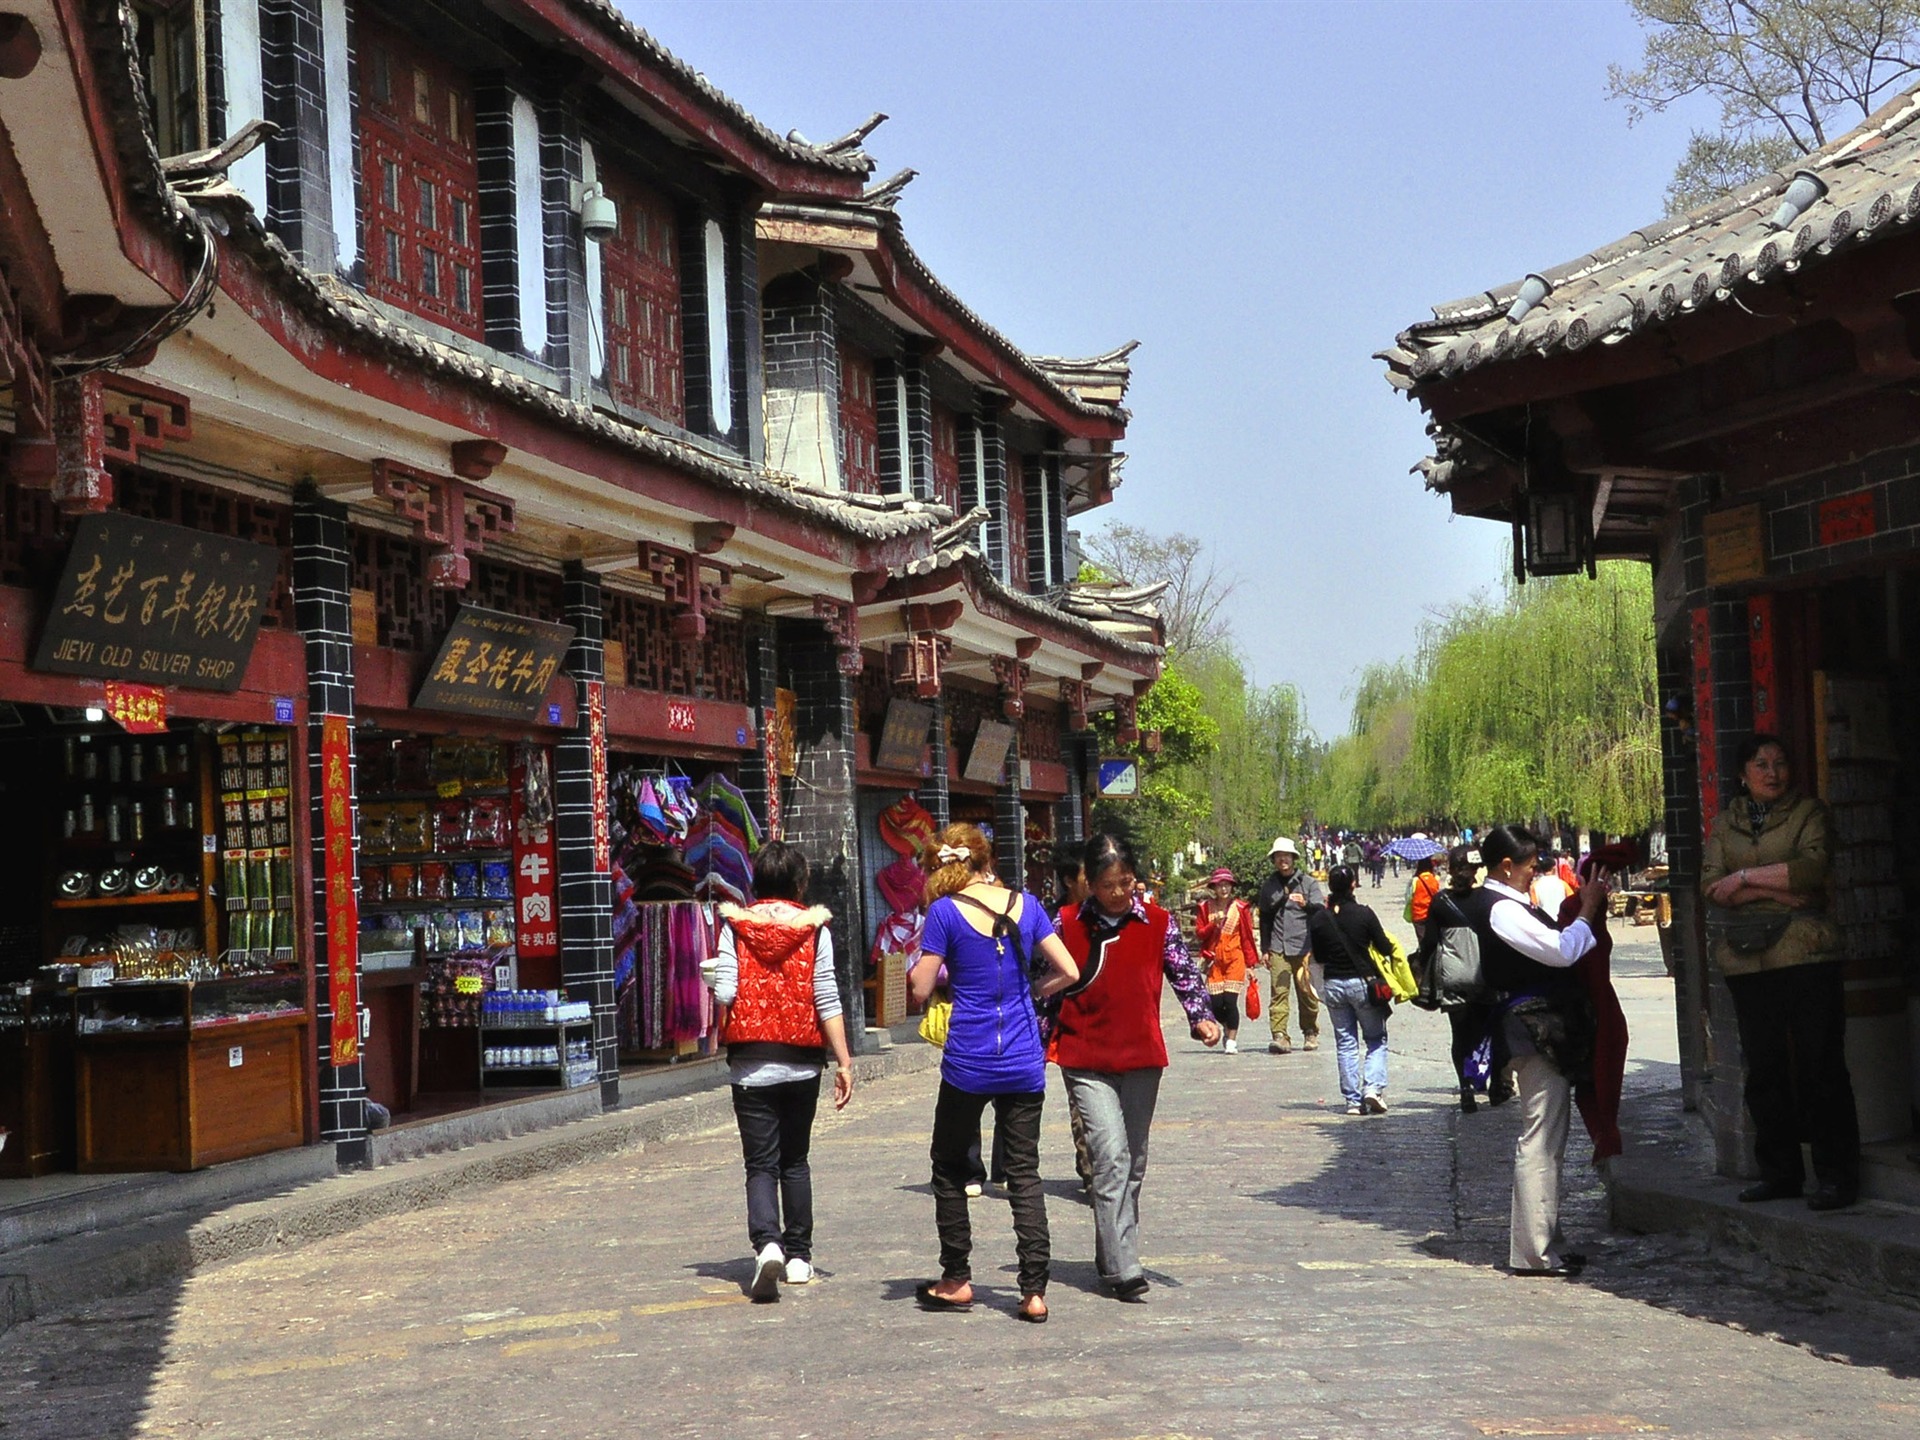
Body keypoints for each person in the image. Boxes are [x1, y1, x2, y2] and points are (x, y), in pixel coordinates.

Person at [908, 824, 1079, 1322]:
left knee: (948, 1166)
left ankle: (957, 1277)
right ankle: (1032, 1291)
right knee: (1024, 1172)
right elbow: (1068, 969)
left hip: (968, 1061)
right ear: (987, 859)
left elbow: (920, 987)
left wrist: (928, 970)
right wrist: (1035, 992)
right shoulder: (1027, 905)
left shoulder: (943, 913)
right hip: (1024, 1059)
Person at [1052, 833, 1221, 1298]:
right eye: (1108, 885)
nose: (1120, 893)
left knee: (1135, 1162)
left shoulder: (1159, 921)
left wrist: (1201, 1017)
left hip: (1142, 1055)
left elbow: (1184, 973)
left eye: (1126, 882)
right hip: (1085, 1057)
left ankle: (1111, 1253)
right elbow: (1041, 982)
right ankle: (1124, 1266)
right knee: (1110, 1158)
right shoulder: (1065, 924)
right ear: (1088, 883)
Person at [1701, 734, 1857, 1211]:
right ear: (1743, 774)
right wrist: (1778, 892)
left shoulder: (1810, 813)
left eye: (1781, 762)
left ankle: (1835, 1175)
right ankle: (1780, 1171)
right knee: (1764, 1068)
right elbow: (1711, 885)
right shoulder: (1725, 825)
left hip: (1806, 954)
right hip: (1747, 960)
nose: (1773, 772)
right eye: (1761, 763)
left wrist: (1744, 879)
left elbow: (1812, 870)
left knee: (1820, 1065)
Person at [1456, 824, 1606, 1276]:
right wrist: (1590, 910)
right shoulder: (1501, 909)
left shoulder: (1512, 903)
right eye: (1531, 864)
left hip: (1542, 1025)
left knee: (1550, 1137)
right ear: (1507, 866)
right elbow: (1561, 951)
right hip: (1532, 1028)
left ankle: (1547, 1241)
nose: (1536, 871)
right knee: (1539, 1137)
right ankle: (1532, 1252)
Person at [712, 841, 855, 1301]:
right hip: (801, 1062)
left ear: (756, 883)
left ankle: (767, 1244)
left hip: (751, 1060)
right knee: (795, 1161)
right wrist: (845, 1061)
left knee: (760, 1164)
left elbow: (726, 991)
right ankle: (798, 1257)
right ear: (799, 884)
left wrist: (712, 986)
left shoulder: (733, 928)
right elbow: (826, 997)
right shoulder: (815, 932)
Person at [1418, 844, 1512, 1113]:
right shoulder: (1488, 899)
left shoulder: (1440, 902)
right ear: (1474, 872)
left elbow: (1431, 943)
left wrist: (1420, 967)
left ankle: (1466, 1088)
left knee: (1460, 1036)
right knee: (1494, 1033)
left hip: (1453, 979)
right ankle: (1495, 1086)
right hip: (1487, 976)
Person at [1304, 865, 1395, 1114]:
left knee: (1345, 1043)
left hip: (1333, 985)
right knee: (1376, 1038)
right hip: (1363, 985)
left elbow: (1319, 955)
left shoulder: (1320, 918)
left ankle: (1352, 1101)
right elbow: (1385, 947)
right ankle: (1373, 1088)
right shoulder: (1364, 914)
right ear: (1353, 884)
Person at [1255, 837, 1322, 1055]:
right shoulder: (1269, 886)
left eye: (1286, 855)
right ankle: (1280, 1035)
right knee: (1279, 992)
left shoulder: (1308, 883)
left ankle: (1310, 1031)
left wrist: (1306, 904)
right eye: (1278, 856)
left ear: (1293, 858)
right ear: (1274, 859)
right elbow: (1264, 918)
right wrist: (1265, 949)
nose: (1282, 859)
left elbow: (1320, 913)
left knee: (1307, 992)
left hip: (1305, 946)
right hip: (1278, 946)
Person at [1194, 867, 1258, 1054]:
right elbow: (1199, 934)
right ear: (1214, 887)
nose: (1224, 889)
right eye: (1220, 885)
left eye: (1227, 885)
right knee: (1215, 1004)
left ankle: (1231, 1040)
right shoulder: (1205, 908)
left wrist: (1250, 964)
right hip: (1214, 960)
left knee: (1230, 1002)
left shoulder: (1240, 908)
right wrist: (1212, 925)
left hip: (1235, 958)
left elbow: (1246, 937)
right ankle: (1227, 1026)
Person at [1407, 854, 1442, 947]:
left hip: (1418, 914)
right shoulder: (1434, 879)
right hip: (1431, 913)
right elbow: (1437, 895)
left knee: (1422, 940)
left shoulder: (1415, 880)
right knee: (1432, 940)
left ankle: (1423, 958)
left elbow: (1408, 897)